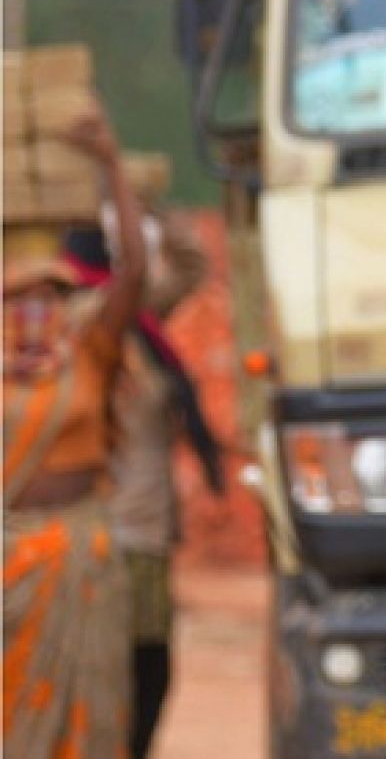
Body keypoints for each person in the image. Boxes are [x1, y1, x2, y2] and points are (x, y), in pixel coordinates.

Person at [4, 109, 147, 759]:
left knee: (87, 719)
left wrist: (110, 164)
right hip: (8, 566)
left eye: (50, 295)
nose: (35, 311)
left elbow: (135, 275)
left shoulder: (88, 351)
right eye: (17, 297)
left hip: (82, 557)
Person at [65, 207, 223, 759]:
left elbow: (187, 264)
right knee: (112, 671)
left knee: (147, 670)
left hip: (144, 530)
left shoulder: (134, 321)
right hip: (101, 535)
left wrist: (145, 202)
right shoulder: (73, 329)